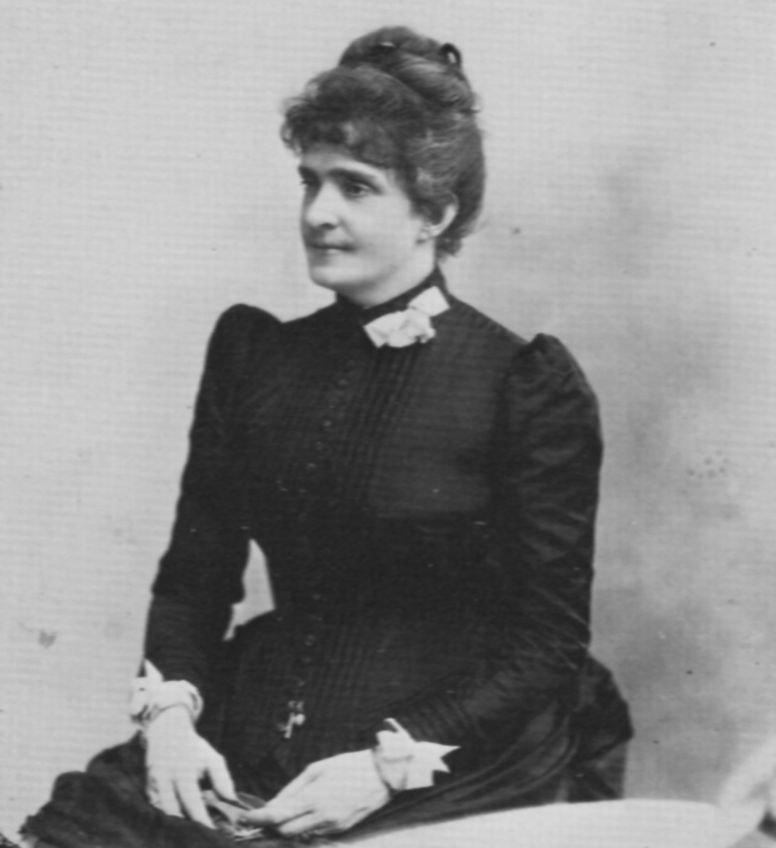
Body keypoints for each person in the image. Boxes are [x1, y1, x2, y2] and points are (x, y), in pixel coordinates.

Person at [21, 25, 632, 847]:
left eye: (355, 187)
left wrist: (383, 767)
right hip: (242, 725)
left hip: (451, 751)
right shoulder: (255, 356)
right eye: (310, 181)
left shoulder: (522, 382)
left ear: (435, 211)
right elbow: (195, 580)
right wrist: (169, 721)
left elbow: (547, 643)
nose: (318, 213)